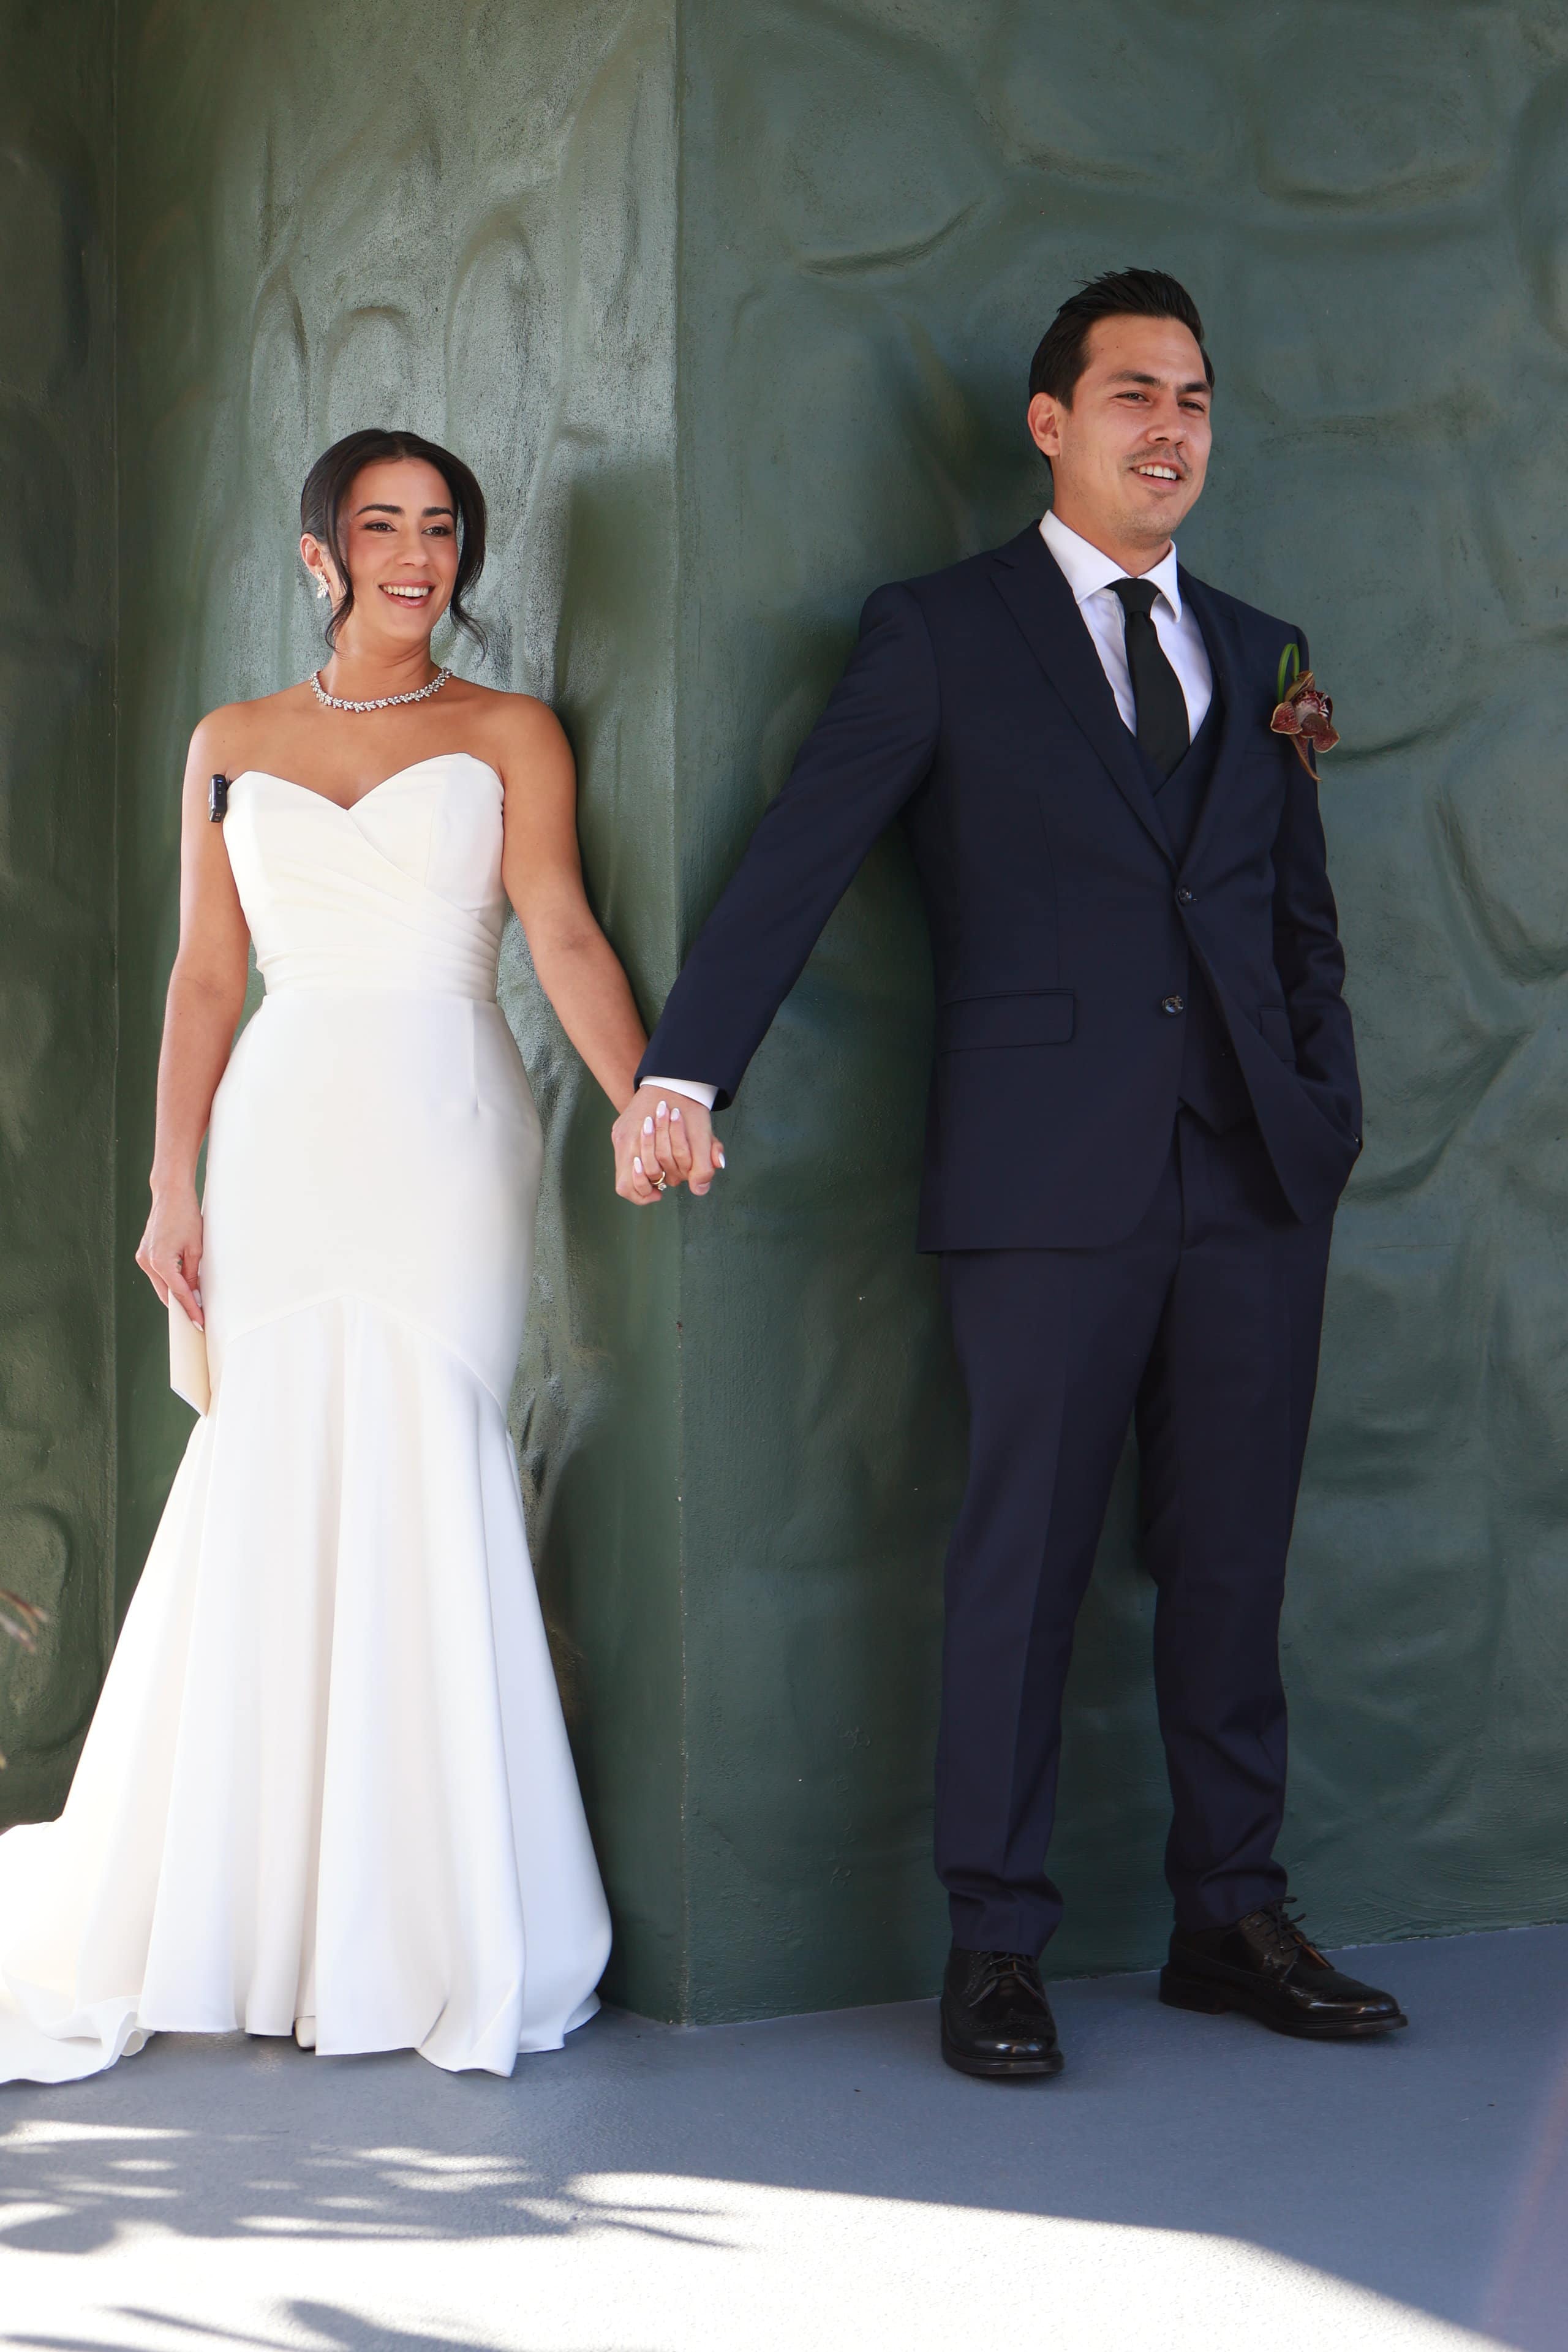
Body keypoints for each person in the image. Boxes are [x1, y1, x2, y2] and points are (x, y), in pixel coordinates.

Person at [615, 270, 1408, 2077]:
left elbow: (1300, 926)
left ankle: (1232, 1912)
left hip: (1253, 1185)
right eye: (1134, 394)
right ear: (1052, 424)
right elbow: (805, 848)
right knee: (1022, 1564)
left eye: (1197, 398)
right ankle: (996, 1944)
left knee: (1231, 1564)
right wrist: (683, 1065)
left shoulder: (1267, 650)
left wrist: (1320, 1105)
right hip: (1044, 1184)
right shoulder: (943, 632)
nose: (1171, 427)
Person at [0, 428, 628, 2081]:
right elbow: (211, 977)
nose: (417, 554)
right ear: (318, 552)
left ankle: (420, 1924)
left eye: (441, 528)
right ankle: (250, 1916)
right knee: (272, 1471)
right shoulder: (229, 741)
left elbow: (558, 930)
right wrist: (168, 1180)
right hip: (281, 1132)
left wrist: (646, 1099)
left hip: (446, 1125)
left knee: (428, 1450)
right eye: (382, 525)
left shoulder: (510, 735)